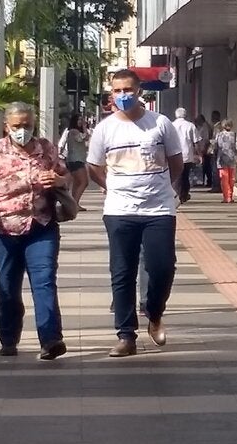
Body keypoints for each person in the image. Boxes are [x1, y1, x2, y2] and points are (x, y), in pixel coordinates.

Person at [87, 69, 185, 358]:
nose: (122, 95)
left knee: (162, 267)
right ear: (111, 94)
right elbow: (94, 167)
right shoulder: (105, 128)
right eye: (117, 91)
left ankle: (154, 313)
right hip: (119, 210)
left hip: (159, 208)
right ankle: (126, 334)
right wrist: (113, 187)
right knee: (122, 271)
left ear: (140, 90)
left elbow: (176, 162)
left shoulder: (160, 123)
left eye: (127, 89)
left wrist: (164, 187)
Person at [0, 102, 70, 361]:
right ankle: (8, 337)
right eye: (16, 126)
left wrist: (58, 180)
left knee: (44, 281)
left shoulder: (46, 148)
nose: (22, 131)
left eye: (27, 125)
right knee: (7, 284)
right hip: (4, 229)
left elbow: (64, 176)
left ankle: (51, 339)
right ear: (6, 126)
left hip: (41, 226)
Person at [58, 113, 92, 207]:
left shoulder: (73, 131)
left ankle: (74, 203)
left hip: (77, 159)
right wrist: (85, 127)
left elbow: (86, 137)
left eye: (82, 120)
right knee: (84, 182)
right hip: (75, 160)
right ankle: (74, 203)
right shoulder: (73, 131)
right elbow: (82, 138)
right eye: (79, 120)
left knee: (77, 182)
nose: (81, 122)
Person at [172, 107, 203, 204]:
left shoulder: (171, 125)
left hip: (174, 154)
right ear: (185, 115)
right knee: (185, 175)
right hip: (187, 154)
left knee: (177, 176)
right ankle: (184, 195)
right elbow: (196, 142)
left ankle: (177, 195)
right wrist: (199, 154)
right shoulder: (191, 126)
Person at [213, 119, 237, 203]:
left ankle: (226, 197)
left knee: (224, 178)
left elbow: (215, 146)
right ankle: (230, 195)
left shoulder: (219, 135)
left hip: (222, 159)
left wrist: (215, 155)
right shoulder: (234, 135)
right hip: (232, 158)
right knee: (231, 178)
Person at [194, 110, 215, 190]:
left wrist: (203, 149)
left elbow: (205, 139)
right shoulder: (203, 126)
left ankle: (209, 181)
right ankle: (207, 181)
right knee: (206, 166)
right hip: (203, 149)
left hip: (205, 149)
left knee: (207, 166)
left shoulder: (205, 127)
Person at [207, 110, 224, 192]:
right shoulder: (217, 126)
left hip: (216, 150)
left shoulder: (217, 127)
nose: (212, 118)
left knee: (215, 169)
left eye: (213, 116)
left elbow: (216, 140)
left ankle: (216, 186)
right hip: (218, 150)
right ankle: (217, 186)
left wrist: (210, 142)